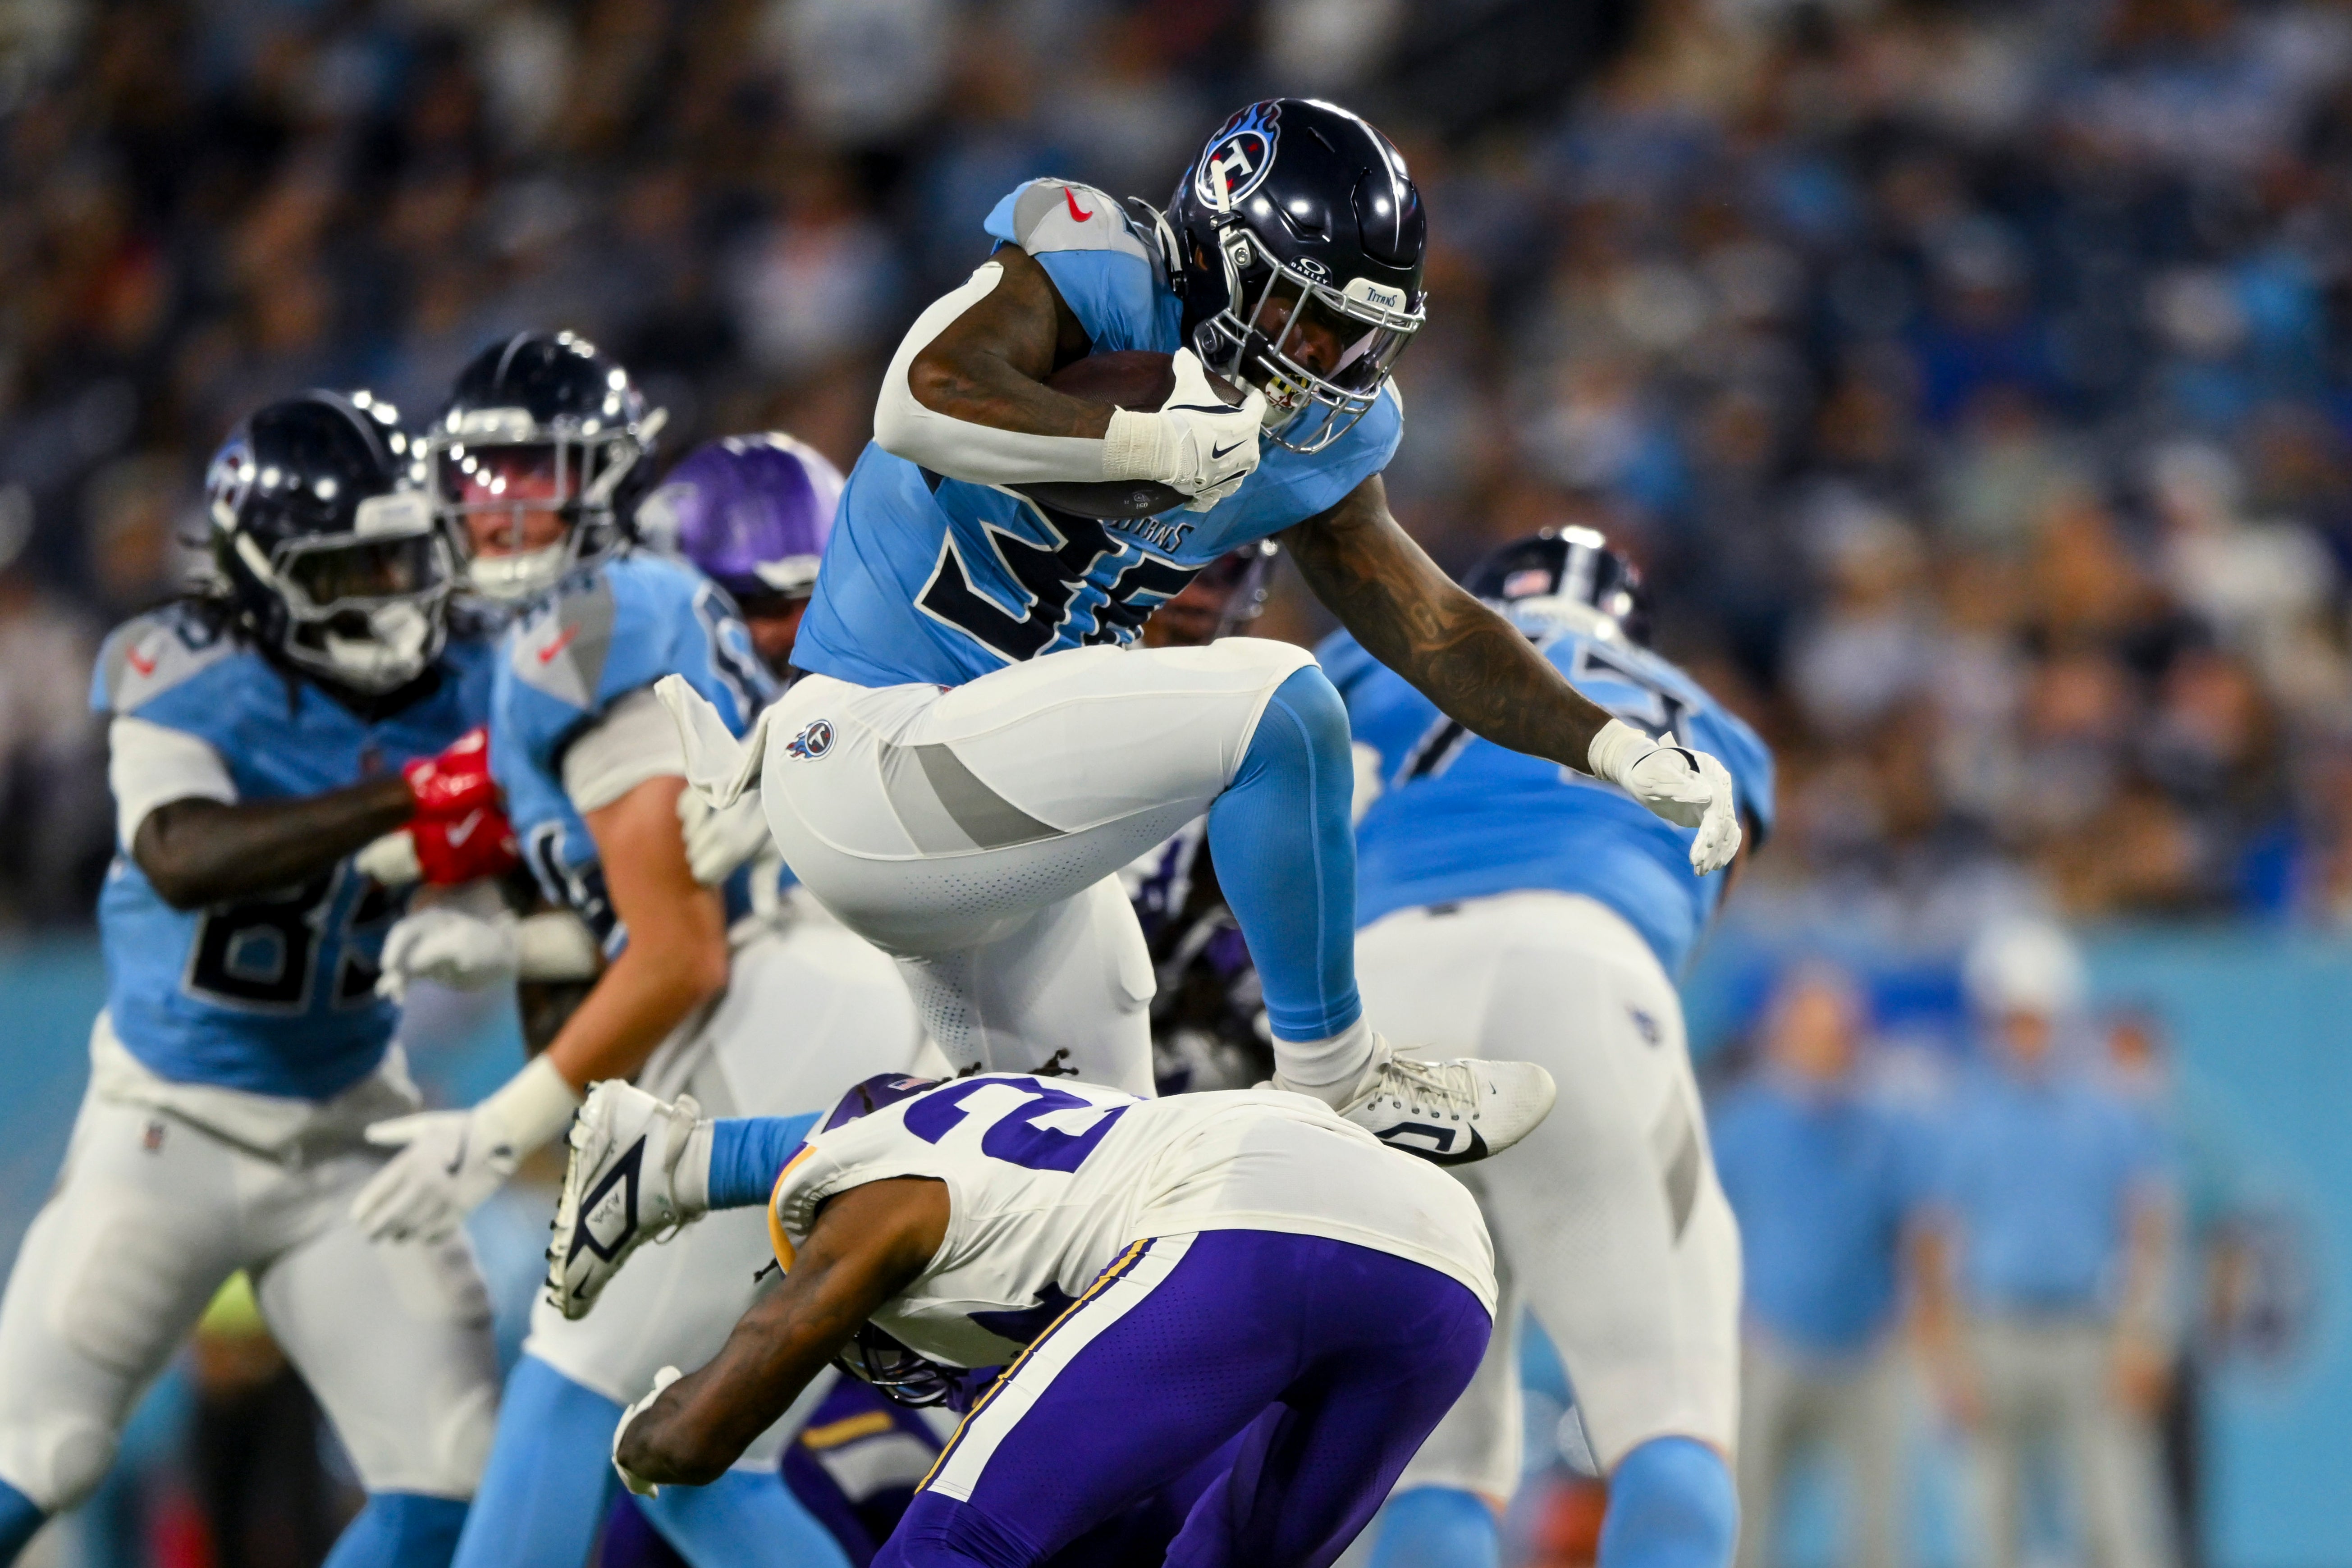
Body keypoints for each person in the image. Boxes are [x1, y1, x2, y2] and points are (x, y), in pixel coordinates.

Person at [662, 97, 1743, 1163]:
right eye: (1303, 312)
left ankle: (685, 1170)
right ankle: (1338, 1075)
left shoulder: (1320, 430)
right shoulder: (1099, 265)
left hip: (992, 813)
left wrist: (1610, 748)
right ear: (1224, 249)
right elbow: (918, 401)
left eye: (1359, 336)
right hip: (876, 748)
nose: (1326, 359)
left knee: (1084, 1196)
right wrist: (1132, 441)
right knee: (1278, 705)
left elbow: (1433, 623)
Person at [360, 343, 929, 1568]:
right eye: (478, 476)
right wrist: (511, 935)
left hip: (787, 995)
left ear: (605, 483)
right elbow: (669, 904)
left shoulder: (585, 624)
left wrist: (491, 1130)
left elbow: (680, 959)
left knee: (567, 1386)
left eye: (534, 474)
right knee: (691, 1462)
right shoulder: (608, 622)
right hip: (830, 990)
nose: (500, 505)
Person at [0, 391, 515, 1566]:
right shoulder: (178, 666)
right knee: (42, 1454)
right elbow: (183, 856)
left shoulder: (469, 677)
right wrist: (410, 794)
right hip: (170, 1124)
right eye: (354, 567)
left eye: (404, 554)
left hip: (349, 1125)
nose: (394, 590)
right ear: (263, 575)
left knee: (450, 1482)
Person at [567, 1068, 1499, 1568]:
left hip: (1243, 1221)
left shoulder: (864, 1188)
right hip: (1447, 1262)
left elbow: (696, 1438)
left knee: (951, 1545)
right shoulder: (1032, 1137)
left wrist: (635, 1436)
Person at [1326, 528, 1774, 1568]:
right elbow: (1692, 910)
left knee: (1436, 1460)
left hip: (1371, 996)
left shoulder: (1364, 658)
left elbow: (1275, 826)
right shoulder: (1715, 726)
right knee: (1663, 1416)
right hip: (1581, 975)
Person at [1915, 920, 2178, 1568]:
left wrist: (2142, 1334)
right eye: (2010, 1019)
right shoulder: (1965, 1111)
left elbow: (2146, 1225)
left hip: (2087, 1334)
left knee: (2117, 1522)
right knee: (1987, 1526)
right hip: (1991, 1332)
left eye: (2035, 1018)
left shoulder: (2108, 1110)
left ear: (2063, 1018)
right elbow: (1933, 1242)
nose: (2023, 1034)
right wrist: (1945, 1360)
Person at [1711, 965, 1937, 1568]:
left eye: (1841, 1034)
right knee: (1747, 1520)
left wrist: (1925, 1335)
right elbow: (1706, 1234)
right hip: (1768, 1345)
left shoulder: (1884, 1130)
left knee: (1879, 1530)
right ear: (1783, 1038)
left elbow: (1919, 1235)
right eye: (1814, 1033)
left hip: (1867, 1351)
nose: (1829, 1048)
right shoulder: (1743, 1125)